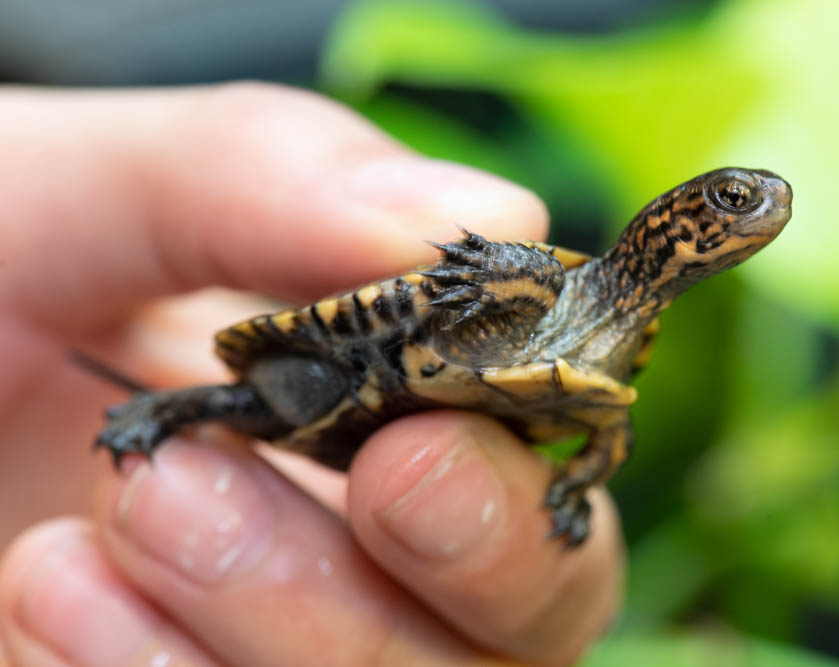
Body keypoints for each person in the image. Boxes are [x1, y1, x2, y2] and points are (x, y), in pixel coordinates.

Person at [0, 82, 622, 665]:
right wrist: (516, 271)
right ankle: (159, 410)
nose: (727, 221)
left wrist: (571, 491)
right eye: (724, 202)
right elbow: (509, 270)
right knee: (276, 399)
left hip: (435, 439)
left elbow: (606, 434)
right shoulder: (544, 289)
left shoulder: (610, 349)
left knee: (445, 506)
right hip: (355, 360)